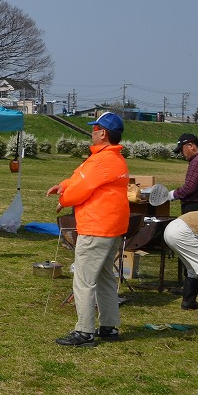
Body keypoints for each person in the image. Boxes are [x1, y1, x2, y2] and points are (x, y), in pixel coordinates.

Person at [47, 112, 130, 346]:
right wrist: (63, 185)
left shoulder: (102, 160)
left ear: (103, 133)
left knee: (84, 280)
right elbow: (79, 177)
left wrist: (64, 199)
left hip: (97, 227)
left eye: (94, 129)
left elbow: (80, 189)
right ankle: (109, 327)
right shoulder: (112, 158)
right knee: (105, 277)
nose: (91, 132)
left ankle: (84, 332)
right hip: (112, 227)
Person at [168, 134, 198, 213]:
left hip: (194, 207)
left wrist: (172, 195)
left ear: (190, 146)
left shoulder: (197, 161)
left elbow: (189, 188)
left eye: (182, 150)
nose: (182, 154)